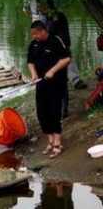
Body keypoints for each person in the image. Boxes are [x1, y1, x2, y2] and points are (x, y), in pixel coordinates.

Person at [27, 20, 71, 158]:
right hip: (41, 83)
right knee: (42, 112)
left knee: (54, 111)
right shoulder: (33, 44)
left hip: (56, 83)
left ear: (43, 31)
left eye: (35, 34)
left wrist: (52, 71)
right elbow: (30, 62)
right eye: (32, 34)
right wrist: (33, 74)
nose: (34, 36)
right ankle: (50, 141)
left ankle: (58, 143)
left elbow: (66, 59)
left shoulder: (55, 41)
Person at [41, 3, 87, 117]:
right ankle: (60, 108)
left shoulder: (56, 17)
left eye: (41, 7)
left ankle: (63, 109)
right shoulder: (48, 17)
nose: (39, 9)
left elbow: (50, 33)